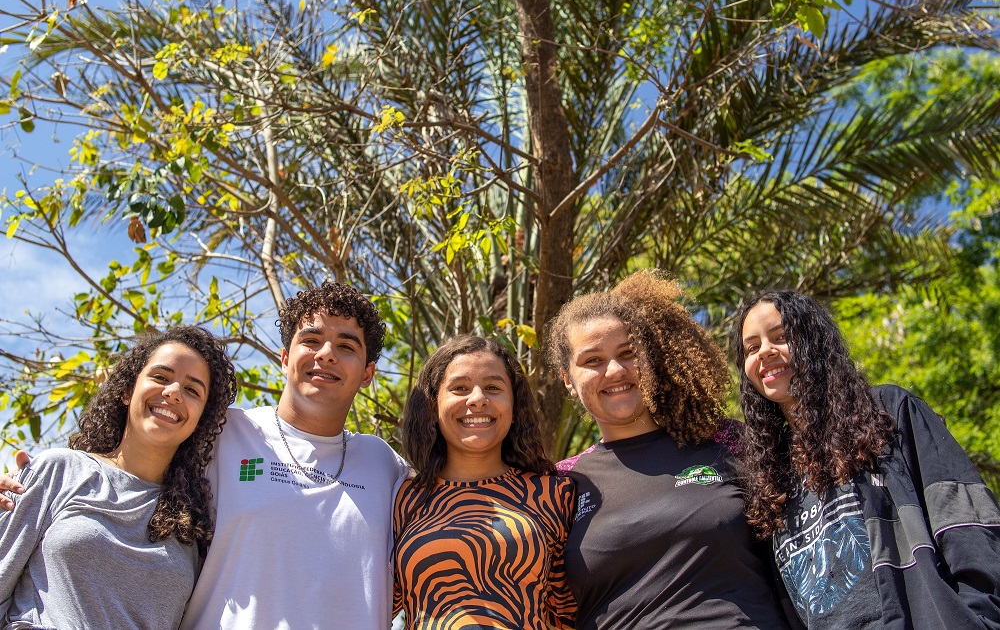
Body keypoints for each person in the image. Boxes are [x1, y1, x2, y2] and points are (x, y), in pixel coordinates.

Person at [1, 281, 411, 629]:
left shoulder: (384, 464)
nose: (326, 354)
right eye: (311, 340)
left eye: (345, 346)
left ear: (368, 373)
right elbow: (126, 465)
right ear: (284, 358)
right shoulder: (219, 432)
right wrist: (23, 487)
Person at [734, 289, 1000, 629]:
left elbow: (967, 523)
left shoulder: (887, 414)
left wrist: (979, 620)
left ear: (813, 342)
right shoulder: (769, 480)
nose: (765, 352)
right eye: (751, 348)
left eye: (781, 337)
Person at [546, 270, 791, 629]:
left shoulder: (730, 442)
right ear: (568, 379)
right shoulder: (559, 485)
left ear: (652, 356)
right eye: (592, 360)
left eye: (628, 353)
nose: (615, 370)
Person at [0, 325, 236, 630]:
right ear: (127, 390)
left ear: (201, 418)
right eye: (161, 377)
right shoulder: (58, 470)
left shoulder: (196, 523)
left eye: (192, 390)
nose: (174, 392)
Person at [393, 335, 575, 629]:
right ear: (433, 405)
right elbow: (374, 606)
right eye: (460, 388)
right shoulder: (405, 499)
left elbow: (571, 613)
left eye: (493, 387)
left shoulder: (553, 494)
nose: (477, 398)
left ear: (514, 406)